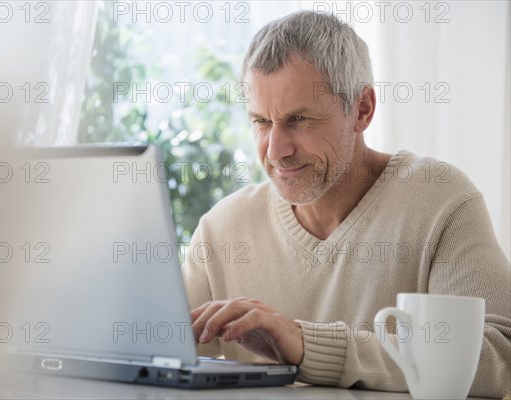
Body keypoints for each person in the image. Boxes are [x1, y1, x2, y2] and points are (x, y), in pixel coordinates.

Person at [181, 10, 510, 397]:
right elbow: (154, 354)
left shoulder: (441, 202)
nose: (276, 150)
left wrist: (309, 346)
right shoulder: (223, 229)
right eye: (261, 122)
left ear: (363, 110)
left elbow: (499, 357)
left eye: (299, 119)